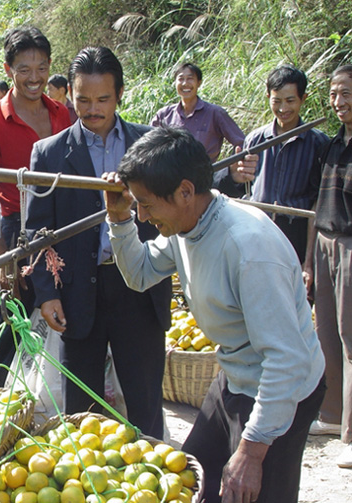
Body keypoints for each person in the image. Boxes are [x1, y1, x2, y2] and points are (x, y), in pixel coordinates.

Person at [104, 127, 325, 503]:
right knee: (190, 477)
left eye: (146, 204)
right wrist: (119, 220)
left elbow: (287, 360)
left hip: (282, 389)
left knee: (250, 490)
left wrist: (253, 452)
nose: (142, 214)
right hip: (235, 376)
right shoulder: (185, 226)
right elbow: (140, 274)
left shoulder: (249, 247)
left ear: (186, 191)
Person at [26, 47, 170, 437]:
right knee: (82, 409)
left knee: (144, 402)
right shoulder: (50, 153)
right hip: (78, 293)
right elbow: (36, 231)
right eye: (83, 100)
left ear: (120, 94)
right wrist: (46, 293)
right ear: (69, 96)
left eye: (103, 99)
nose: (92, 109)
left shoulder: (150, 145)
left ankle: (149, 482)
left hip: (138, 287)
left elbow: (171, 216)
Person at [0, 26, 71, 386]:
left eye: (42, 68)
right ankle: (1, 392)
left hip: (64, 224)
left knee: (63, 307)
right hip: (16, 230)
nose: (35, 78)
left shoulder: (62, 114)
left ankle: (54, 391)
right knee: (15, 315)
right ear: (8, 69)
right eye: (24, 69)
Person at [215, 65, 328, 263]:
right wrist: (234, 175)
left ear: (303, 98)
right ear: (268, 97)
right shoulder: (255, 140)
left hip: (296, 233)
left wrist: (309, 262)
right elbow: (242, 187)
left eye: (290, 101)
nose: (283, 109)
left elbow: (317, 202)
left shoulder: (318, 143)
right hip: (258, 229)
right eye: (277, 101)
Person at [304, 64, 352, 468]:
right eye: (335, 94)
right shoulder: (334, 142)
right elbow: (317, 202)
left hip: (351, 246)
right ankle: (333, 415)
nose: (339, 102)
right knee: (327, 335)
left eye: (347, 93)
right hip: (324, 240)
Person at [151, 62, 245, 161]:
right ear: (175, 83)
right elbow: (147, 145)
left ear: (199, 83)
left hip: (204, 174)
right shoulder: (164, 115)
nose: (185, 83)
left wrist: (228, 170)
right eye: (181, 79)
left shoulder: (215, 113)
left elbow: (242, 143)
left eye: (190, 78)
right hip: (169, 174)